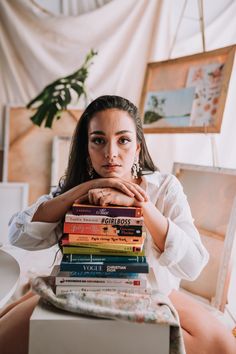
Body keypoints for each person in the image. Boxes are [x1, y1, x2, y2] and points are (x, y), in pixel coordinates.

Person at [1, 95, 235, 354]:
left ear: (137, 147)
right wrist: (88, 187)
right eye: (98, 141)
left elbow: (193, 265)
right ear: (86, 148)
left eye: (123, 140)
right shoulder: (74, 187)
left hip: (151, 292)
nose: (110, 153)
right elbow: (17, 235)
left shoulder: (164, 188)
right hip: (77, 286)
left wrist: (139, 205)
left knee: (225, 346)